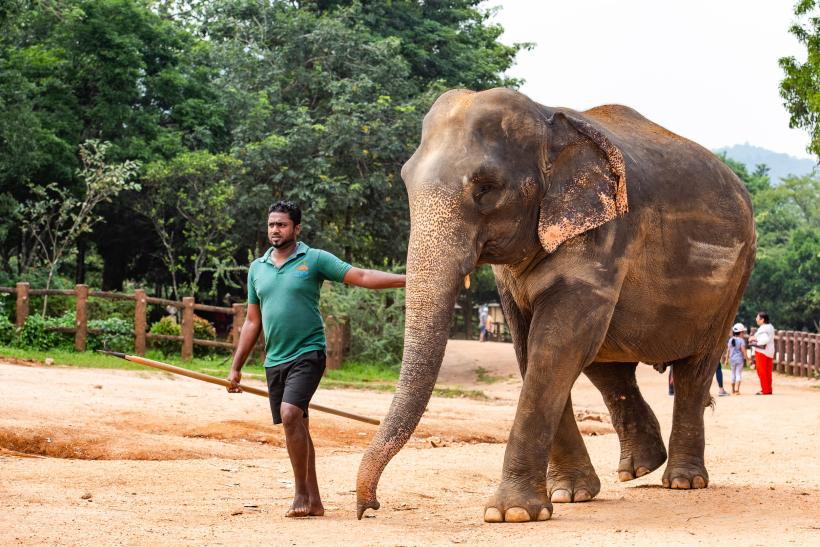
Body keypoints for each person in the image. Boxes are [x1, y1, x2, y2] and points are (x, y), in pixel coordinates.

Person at [227, 201, 405, 517]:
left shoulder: (314, 259)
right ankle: (316, 502)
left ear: (296, 228)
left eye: (281, 225)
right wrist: (236, 367)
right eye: (271, 225)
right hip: (275, 360)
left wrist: (409, 279)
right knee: (299, 424)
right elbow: (253, 321)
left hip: (308, 353)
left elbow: (362, 276)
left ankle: (300, 495)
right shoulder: (257, 268)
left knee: (290, 415)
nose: (275, 230)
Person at [748, 312, 775, 395]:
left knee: (761, 371)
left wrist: (753, 339)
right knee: (768, 371)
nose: (756, 319)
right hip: (769, 351)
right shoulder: (770, 327)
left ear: (762, 320)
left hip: (761, 352)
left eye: (757, 318)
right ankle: (768, 389)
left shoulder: (763, 328)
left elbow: (764, 339)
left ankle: (765, 390)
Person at [726, 323, 748, 395]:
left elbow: (728, 350)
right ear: (740, 332)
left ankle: (732, 390)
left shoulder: (730, 340)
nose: (743, 333)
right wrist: (747, 358)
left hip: (732, 359)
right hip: (739, 359)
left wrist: (726, 360)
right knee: (738, 374)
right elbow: (743, 350)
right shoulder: (741, 340)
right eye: (743, 332)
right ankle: (737, 390)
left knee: (733, 374)